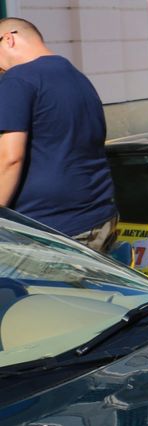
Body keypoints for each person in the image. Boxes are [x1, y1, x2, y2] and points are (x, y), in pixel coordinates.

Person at [0, 17, 117, 252]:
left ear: (9, 39)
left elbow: (9, 158)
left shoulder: (18, 79)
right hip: (99, 215)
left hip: (50, 228)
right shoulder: (76, 75)